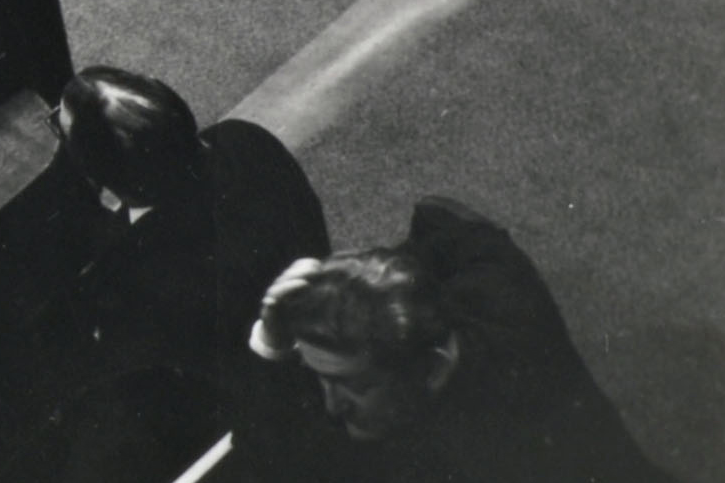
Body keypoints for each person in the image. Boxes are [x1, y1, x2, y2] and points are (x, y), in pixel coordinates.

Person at [0, 66, 328, 483]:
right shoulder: (245, 139)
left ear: (95, 172)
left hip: (244, 405)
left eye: (61, 133)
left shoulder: (130, 277)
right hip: (313, 324)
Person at [242, 201, 673, 481]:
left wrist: (269, 342)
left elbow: (266, 463)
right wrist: (362, 289)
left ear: (428, 365)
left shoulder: (411, 461)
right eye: (321, 377)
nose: (333, 406)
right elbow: (439, 216)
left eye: (356, 385)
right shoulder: (504, 294)